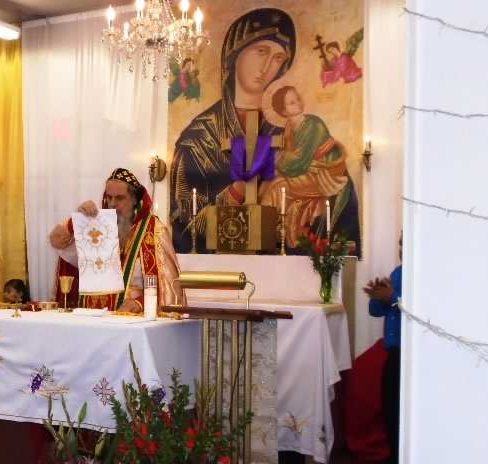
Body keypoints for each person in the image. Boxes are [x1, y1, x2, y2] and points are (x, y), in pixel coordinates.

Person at [169, 8, 296, 253]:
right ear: (235, 54)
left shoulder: (283, 134)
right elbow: (183, 224)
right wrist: (237, 190)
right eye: (261, 51)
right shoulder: (198, 137)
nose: (267, 66)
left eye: (279, 58)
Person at [49, 168, 183, 311]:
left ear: (134, 199)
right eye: (109, 197)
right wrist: (77, 220)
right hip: (92, 316)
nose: (112, 203)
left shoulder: (155, 232)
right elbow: (57, 242)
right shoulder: (96, 227)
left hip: (131, 318)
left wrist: (141, 303)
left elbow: (169, 287)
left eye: (120, 198)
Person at [259, 85, 361, 251]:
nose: (298, 103)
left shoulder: (313, 124)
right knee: (268, 186)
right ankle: (268, 236)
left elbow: (299, 161)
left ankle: (268, 235)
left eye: (298, 98)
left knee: (277, 187)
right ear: (283, 111)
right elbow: (292, 157)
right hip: (308, 170)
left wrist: (279, 160)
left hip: (325, 172)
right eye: (292, 102)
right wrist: (280, 159)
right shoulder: (290, 127)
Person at [363, 235, 403, 463]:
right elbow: (376, 311)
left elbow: (420, 310)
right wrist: (378, 296)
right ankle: (396, 454)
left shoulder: (426, 275)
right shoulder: (398, 273)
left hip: (411, 356)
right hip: (394, 354)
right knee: (390, 410)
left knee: (403, 412)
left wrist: (393, 297)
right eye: (400, 244)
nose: (401, 249)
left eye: (406, 244)